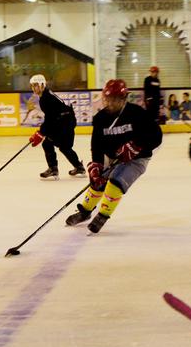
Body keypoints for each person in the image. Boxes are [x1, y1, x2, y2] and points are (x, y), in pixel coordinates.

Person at [66, 79, 162, 234]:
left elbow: (156, 136)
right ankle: (85, 211)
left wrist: (136, 146)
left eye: (115, 99)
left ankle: (103, 215)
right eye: (108, 98)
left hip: (137, 159)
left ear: (124, 98)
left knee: (115, 182)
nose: (110, 103)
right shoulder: (100, 118)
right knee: (97, 182)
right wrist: (96, 164)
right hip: (112, 157)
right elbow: (97, 145)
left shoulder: (137, 113)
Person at [28, 73, 85, 179]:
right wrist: (42, 132)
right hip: (65, 122)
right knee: (65, 147)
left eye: (36, 85)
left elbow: (51, 118)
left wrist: (41, 132)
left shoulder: (46, 98)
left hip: (64, 123)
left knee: (48, 144)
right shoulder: (45, 96)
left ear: (42, 85)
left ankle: (53, 169)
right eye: (32, 85)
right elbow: (52, 118)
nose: (34, 88)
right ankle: (79, 167)